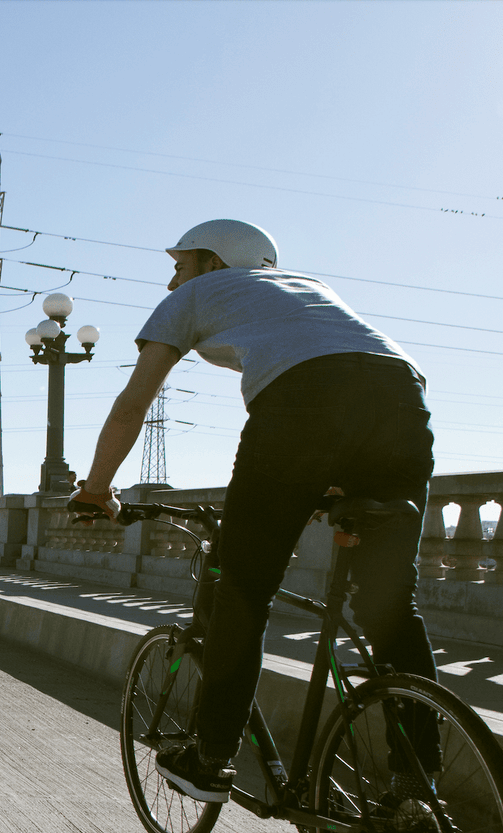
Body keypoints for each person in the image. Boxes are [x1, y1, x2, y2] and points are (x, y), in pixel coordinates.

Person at [68, 219, 438, 803]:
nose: (172, 281)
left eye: (180, 265)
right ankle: (417, 783)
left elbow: (132, 403)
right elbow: (349, 372)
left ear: (214, 264)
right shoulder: (309, 287)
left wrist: (95, 488)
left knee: (243, 587)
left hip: (303, 402)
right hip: (403, 396)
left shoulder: (195, 295)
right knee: (390, 601)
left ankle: (211, 758)